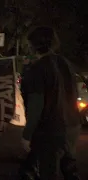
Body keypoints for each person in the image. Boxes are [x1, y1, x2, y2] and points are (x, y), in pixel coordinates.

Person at [20, 26, 81, 180]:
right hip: (72, 126)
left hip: (51, 130)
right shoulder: (67, 64)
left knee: (49, 172)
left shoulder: (38, 69)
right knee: (70, 170)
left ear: (34, 45)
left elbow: (36, 105)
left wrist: (27, 135)